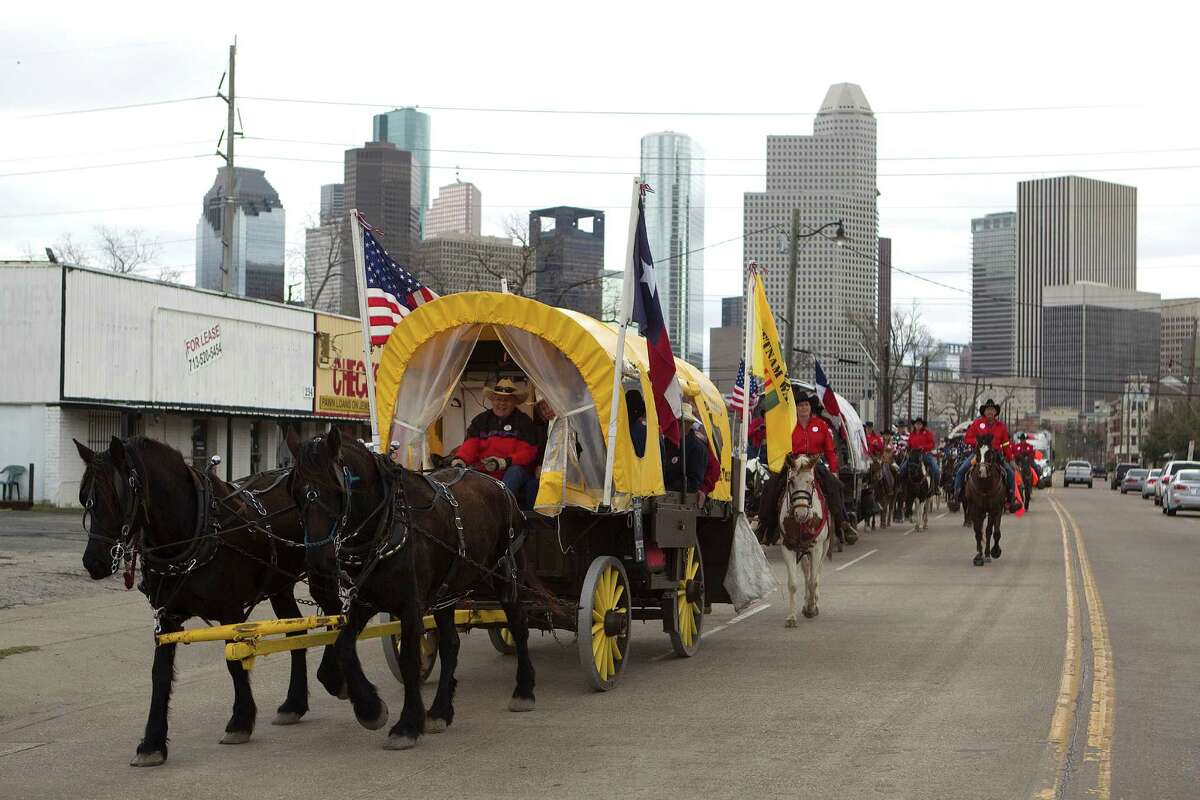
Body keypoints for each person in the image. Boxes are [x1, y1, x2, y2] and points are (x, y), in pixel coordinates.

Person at [452, 377, 539, 507]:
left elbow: (529, 453)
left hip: (512, 472)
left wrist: (504, 462)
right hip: (485, 471)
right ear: (492, 400)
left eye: (507, 400)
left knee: (515, 471)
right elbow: (471, 444)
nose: (501, 403)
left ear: (514, 402)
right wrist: (460, 460)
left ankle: (498, 507)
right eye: (498, 399)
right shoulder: (481, 420)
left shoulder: (524, 422)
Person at [953, 398, 1021, 513]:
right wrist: (978, 443)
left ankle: (1011, 500)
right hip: (979, 454)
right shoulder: (977, 424)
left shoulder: (1001, 426)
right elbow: (967, 438)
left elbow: (1006, 445)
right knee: (961, 470)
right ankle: (956, 497)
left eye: (992, 410)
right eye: (988, 409)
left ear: (995, 412)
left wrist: (1011, 460)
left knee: (1009, 472)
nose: (990, 412)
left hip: (996, 455)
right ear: (984, 412)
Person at [662, 404, 707, 494]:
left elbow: (693, 483)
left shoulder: (696, 448)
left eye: (678, 422)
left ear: (689, 424)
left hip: (678, 500)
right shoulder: (668, 442)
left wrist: (668, 487)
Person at [906, 417, 941, 492]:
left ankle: (936, 487)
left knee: (936, 469)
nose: (918, 425)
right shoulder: (912, 434)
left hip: (925, 454)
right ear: (914, 425)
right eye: (917, 424)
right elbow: (909, 444)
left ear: (922, 425)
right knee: (902, 468)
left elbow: (932, 444)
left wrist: (923, 447)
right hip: (913, 456)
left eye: (920, 424)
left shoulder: (927, 433)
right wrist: (908, 448)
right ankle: (902, 486)